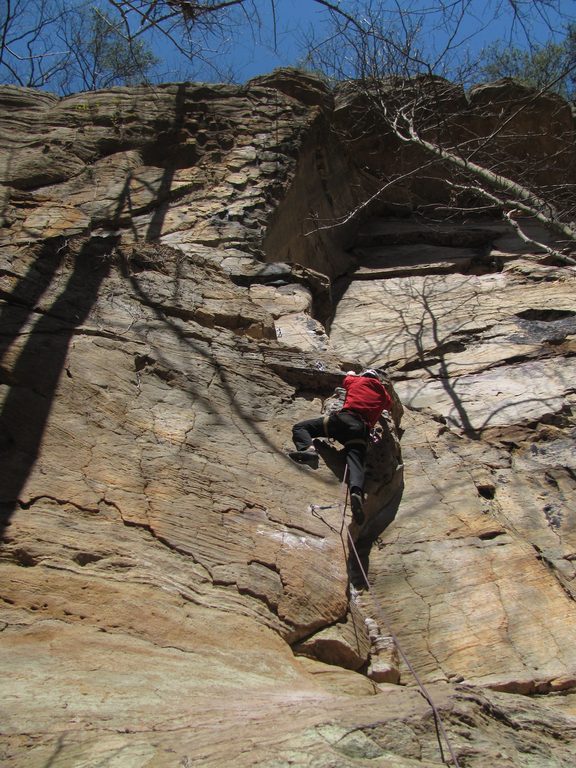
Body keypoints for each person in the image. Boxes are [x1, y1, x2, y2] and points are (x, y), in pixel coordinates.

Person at [289, 369, 393, 525]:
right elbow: (388, 405)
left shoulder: (357, 380)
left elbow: (347, 378)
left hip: (342, 420)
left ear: (364, 375)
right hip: (360, 430)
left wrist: (351, 373)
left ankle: (309, 450)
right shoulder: (384, 394)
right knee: (356, 460)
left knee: (301, 427)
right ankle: (356, 492)